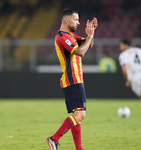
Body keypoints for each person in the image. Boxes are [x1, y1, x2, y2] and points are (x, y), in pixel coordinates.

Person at [46, 8, 98, 150]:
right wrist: (90, 36)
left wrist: (89, 34)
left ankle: (79, 148)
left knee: (77, 115)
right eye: (76, 19)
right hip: (72, 78)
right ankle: (53, 139)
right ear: (66, 20)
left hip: (75, 78)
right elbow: (80, 52)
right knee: (81, 114)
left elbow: (88, 44)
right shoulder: (62, 37)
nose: (79, 22)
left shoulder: (71, 36)